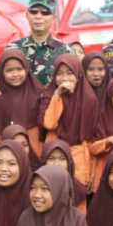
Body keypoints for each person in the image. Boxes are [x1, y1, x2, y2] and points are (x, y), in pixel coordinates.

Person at [39, 54, 99, 187]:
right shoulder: (48, 95)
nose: (64, 78)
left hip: (79, 155)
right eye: (59, 74)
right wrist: (57, 95)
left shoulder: (89, 99)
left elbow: (91, 137)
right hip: (55, 152)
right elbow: (49, 124)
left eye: (70, 73)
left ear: (78, 74)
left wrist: (90, 169)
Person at [4, 0, 73, 86]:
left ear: (54, 18)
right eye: (33, 12)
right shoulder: (12, 49)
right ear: (27, 15)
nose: (38, 17)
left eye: (45, 13)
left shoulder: (66, 51)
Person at [0, 49, 43, 154]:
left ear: (26, 69)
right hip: (7, 153)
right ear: (1, 73)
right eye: (9, 70)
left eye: (19, 69)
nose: (15, 74)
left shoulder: (39, 94)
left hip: (36, 151)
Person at [41, 140, 89, 212]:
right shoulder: (35, 187)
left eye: (62, 159)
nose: (57, 164)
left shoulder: (78, 191)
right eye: (51, 158)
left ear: (69, 163)